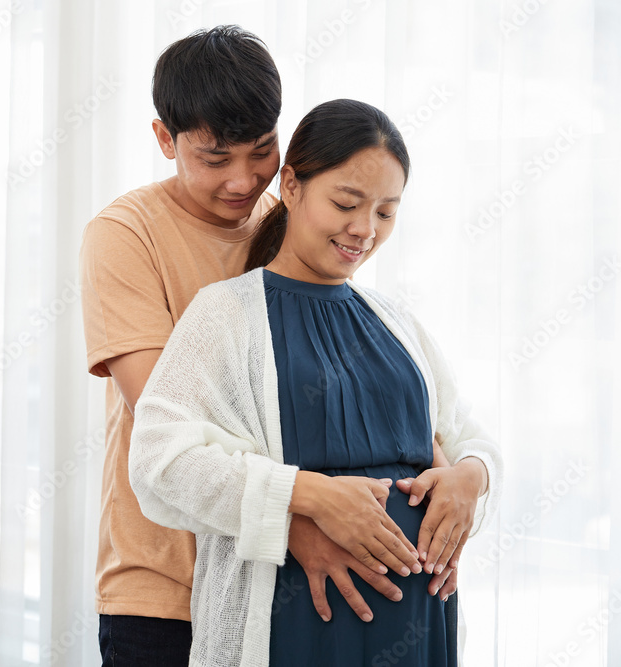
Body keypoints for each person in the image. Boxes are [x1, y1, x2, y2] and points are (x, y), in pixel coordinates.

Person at [128, 99, 503, 666]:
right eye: (346, 204)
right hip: (296, 629)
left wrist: (472, 478)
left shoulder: (396, 321)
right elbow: (161, 463)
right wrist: (305, 496)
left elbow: (468, 435)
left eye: (386, 212)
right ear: (291, 186)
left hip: (420, 628)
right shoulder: (226, 314)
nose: (365, 230)